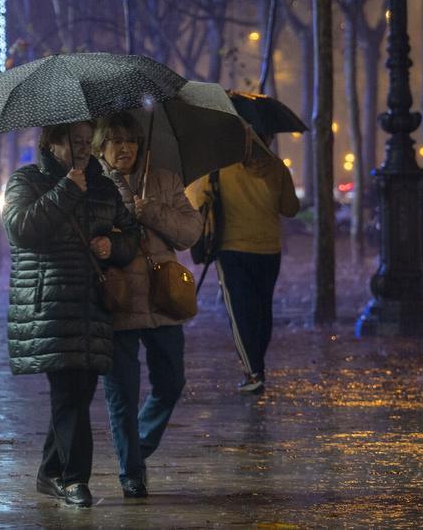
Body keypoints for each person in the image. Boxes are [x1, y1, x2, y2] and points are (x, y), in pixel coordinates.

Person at [1, 120, 140, 507]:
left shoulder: (103, 185)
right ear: (52, 142)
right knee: (68, 391)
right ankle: (75, 479)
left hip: (93, 305)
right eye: (74, 141)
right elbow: (19, 229)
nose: (83, 148)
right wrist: (65, 191)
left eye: (86, 141)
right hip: (47, 305)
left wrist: (113, 246)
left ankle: (50, 473)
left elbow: (131, 235)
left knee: (78, 394)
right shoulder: (26, 180)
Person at [93, 113, 201, 498]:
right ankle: (131, 472)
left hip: (162, 299)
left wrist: (151, 210)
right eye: (116, 141)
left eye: (132, 141)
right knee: (122, 392)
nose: (126, 149)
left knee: (171, 382)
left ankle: (136, 449)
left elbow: (191, 231)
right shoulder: (91, 184)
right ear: (101, 146)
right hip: (117, 299)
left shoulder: (164, 179)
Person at [184, 133, 299, 394]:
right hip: (270, 250)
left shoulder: (218, 168)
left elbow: (193, 200)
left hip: (232, 249)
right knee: (262, 309)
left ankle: (253, 372)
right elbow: (290, 207)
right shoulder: (277, 167)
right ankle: (257, 365)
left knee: (239, 313)